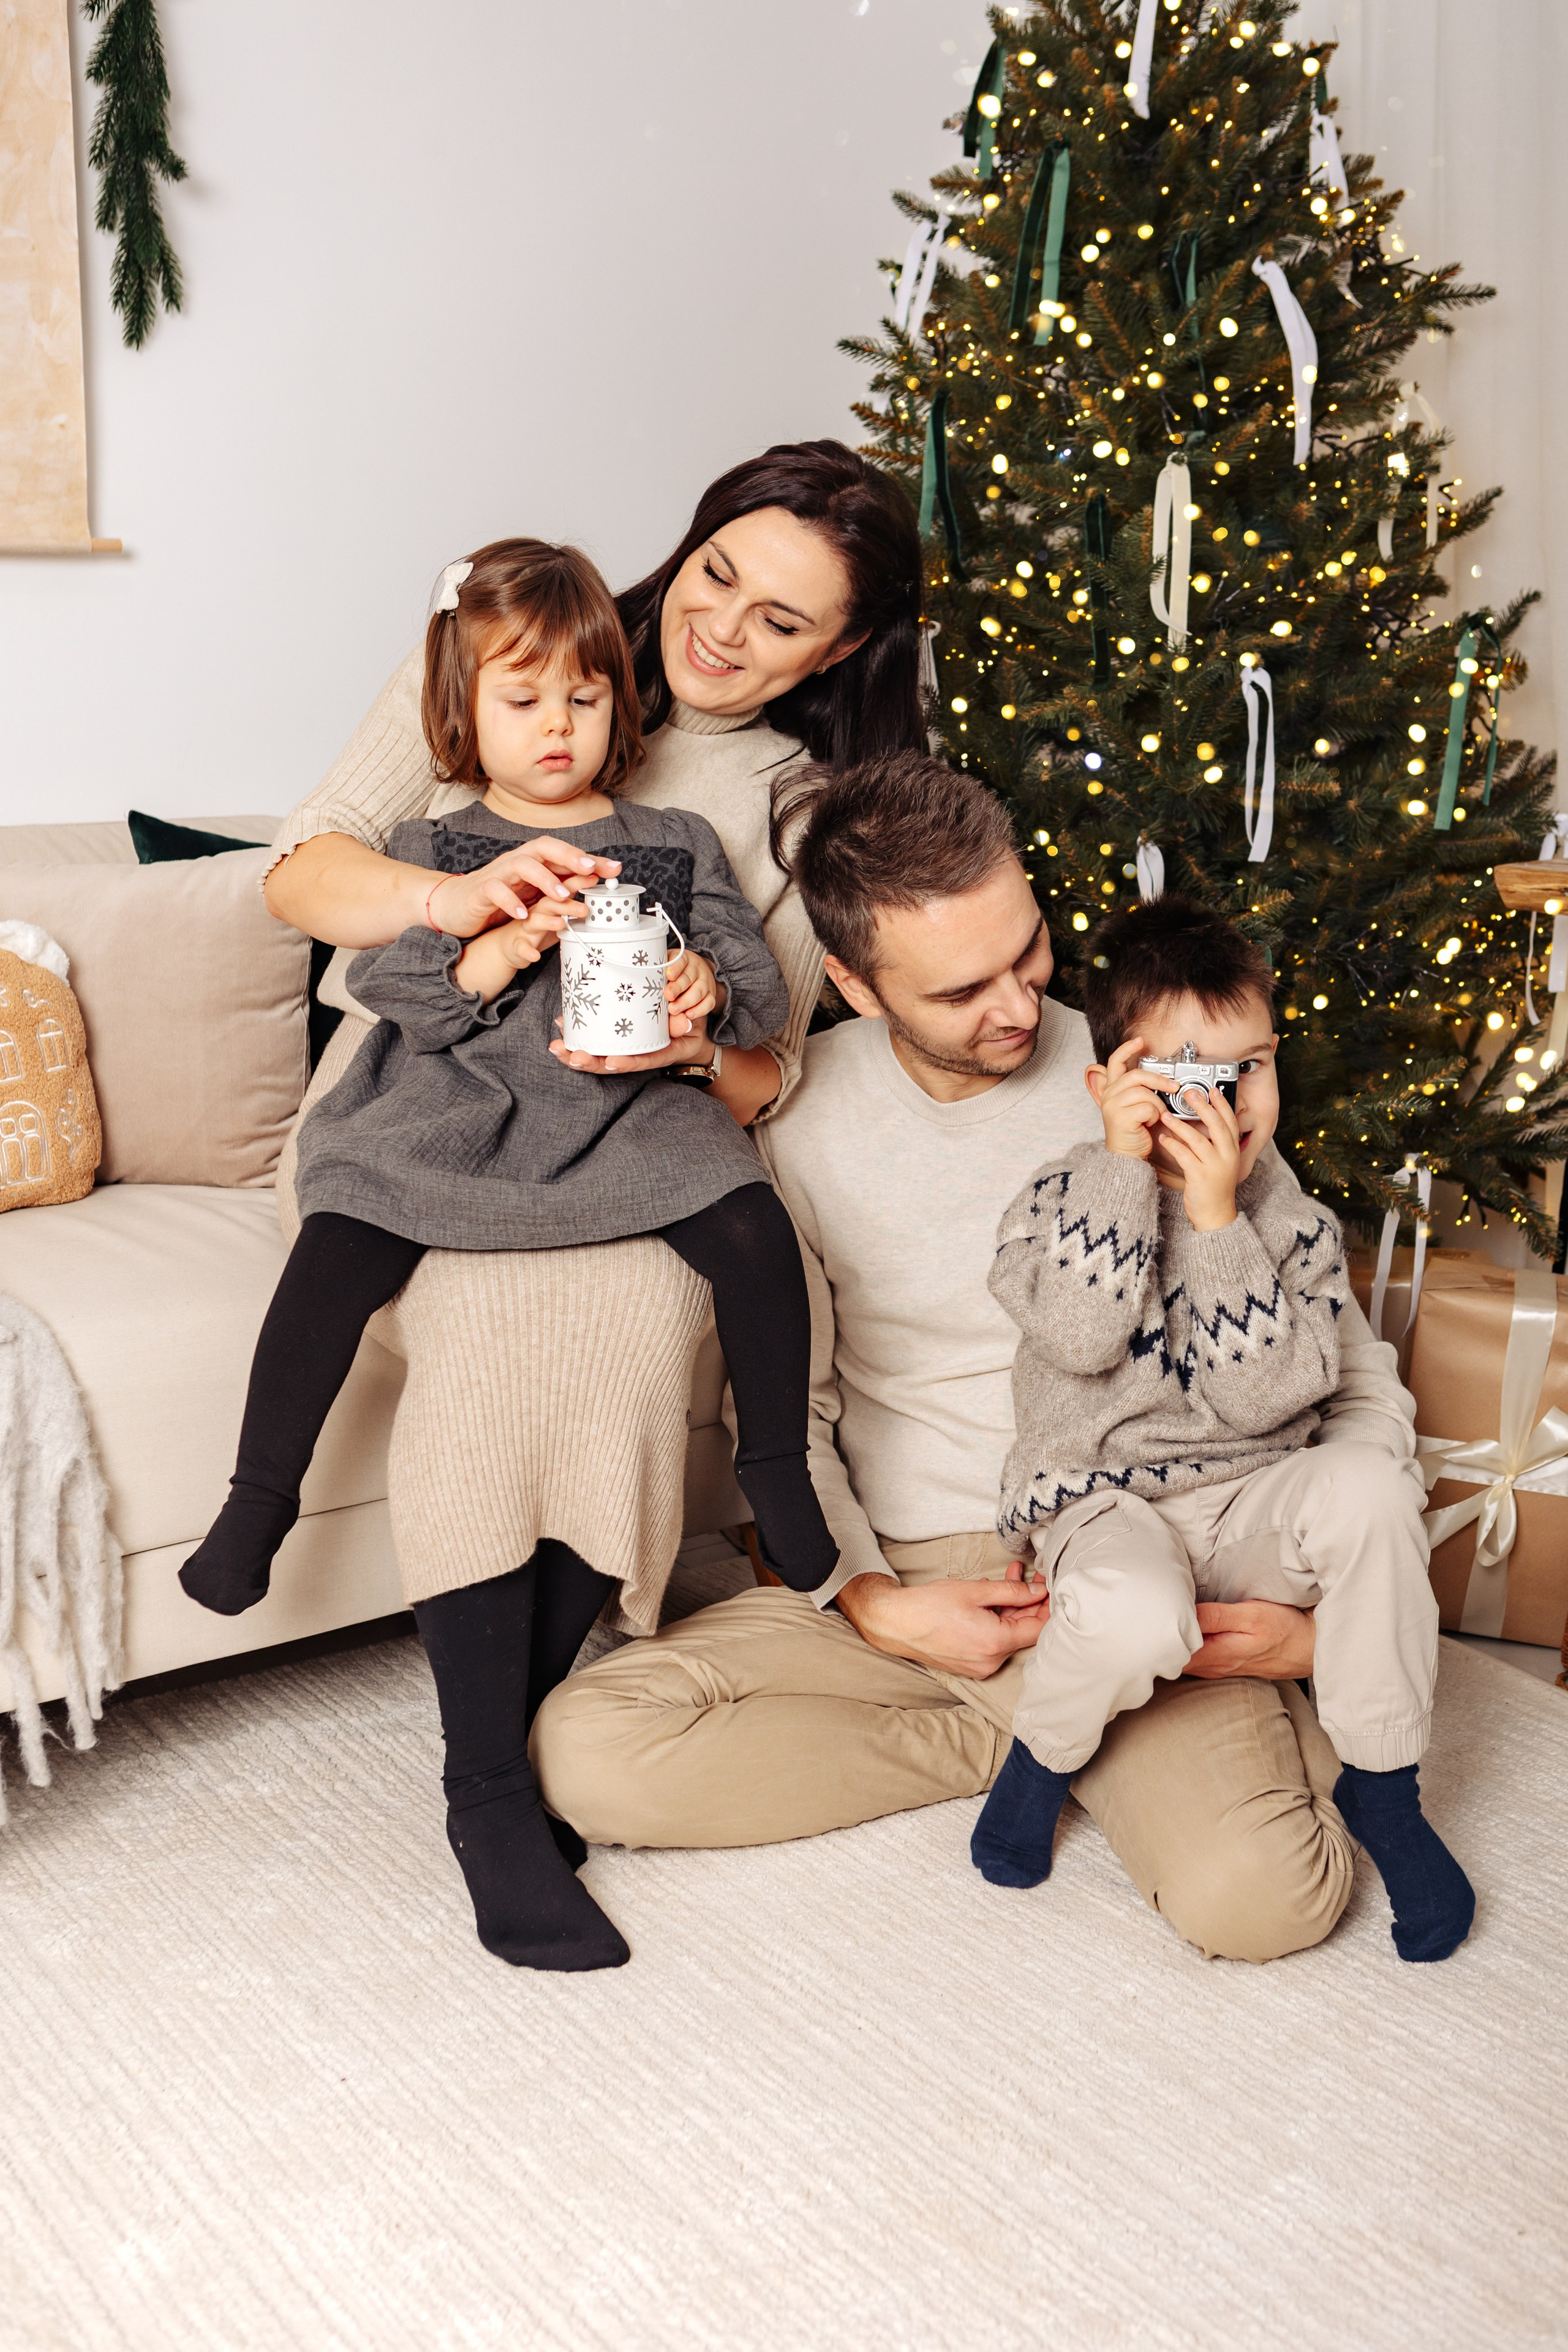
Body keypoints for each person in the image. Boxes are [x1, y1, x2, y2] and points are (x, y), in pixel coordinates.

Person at [532, 753, 1432, 1966]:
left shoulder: (1150, 1072)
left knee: (1260, 1904)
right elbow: (787, 1406)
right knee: (587, 1751)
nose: (1017, 1008)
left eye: (1029, 953)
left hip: (1150, 1550)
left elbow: (1344, 1363)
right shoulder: (796, 1118)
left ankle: (1120, 1713)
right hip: (928, 1573)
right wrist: (874, 1604)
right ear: (852, 978)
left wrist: (1312, 1631)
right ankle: (1028, 1734)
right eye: (963, 989)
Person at [260, 443, 922, 1970]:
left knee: (633, 1332)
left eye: (782, 624)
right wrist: (451, 905)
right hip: (423, 1118)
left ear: (841, 654)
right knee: (492, 1352)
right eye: (716, 580)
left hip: (631, 1139)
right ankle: (488, 1793)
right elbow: (300, 875)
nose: (722, 633)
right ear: (681, 549)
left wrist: (700, 1034)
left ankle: (527, 1713)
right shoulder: (518, 645)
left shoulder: (806, 810)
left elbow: (768, 1079)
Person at [969, 894, 1474, 1966]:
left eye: (1250, 1069)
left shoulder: (1292, 1221)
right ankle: (1041, 1760)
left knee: (1377, 1491)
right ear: (1114, 1083)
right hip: (1103, 1504)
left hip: (1253, 1497)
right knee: (1128, 1610)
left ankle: (1384, 1787)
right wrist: (1124, 1175)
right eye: (1191, 1078)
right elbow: (1078, 1333)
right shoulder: (1056, 1197)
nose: (1228, 1105)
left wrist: (1218, 1224)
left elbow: (1273, 1402)